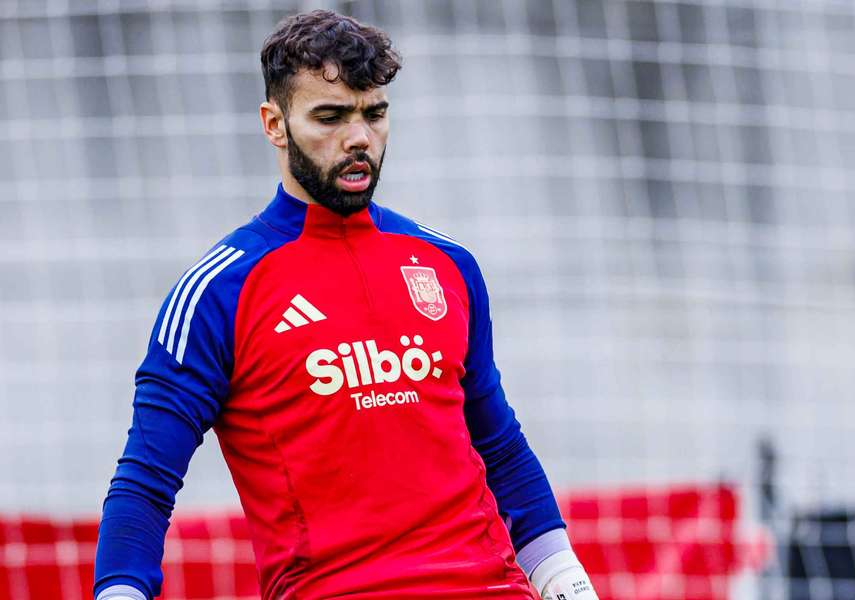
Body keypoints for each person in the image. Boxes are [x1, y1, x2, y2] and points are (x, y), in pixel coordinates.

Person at [93, 10, 597, 600]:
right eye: (329, 117)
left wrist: (568, 583)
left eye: (374, 114)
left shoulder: (447, 265)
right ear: (274, 124)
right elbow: (146, 484)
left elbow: (502, 448)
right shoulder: (218, 292)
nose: (359, 137)